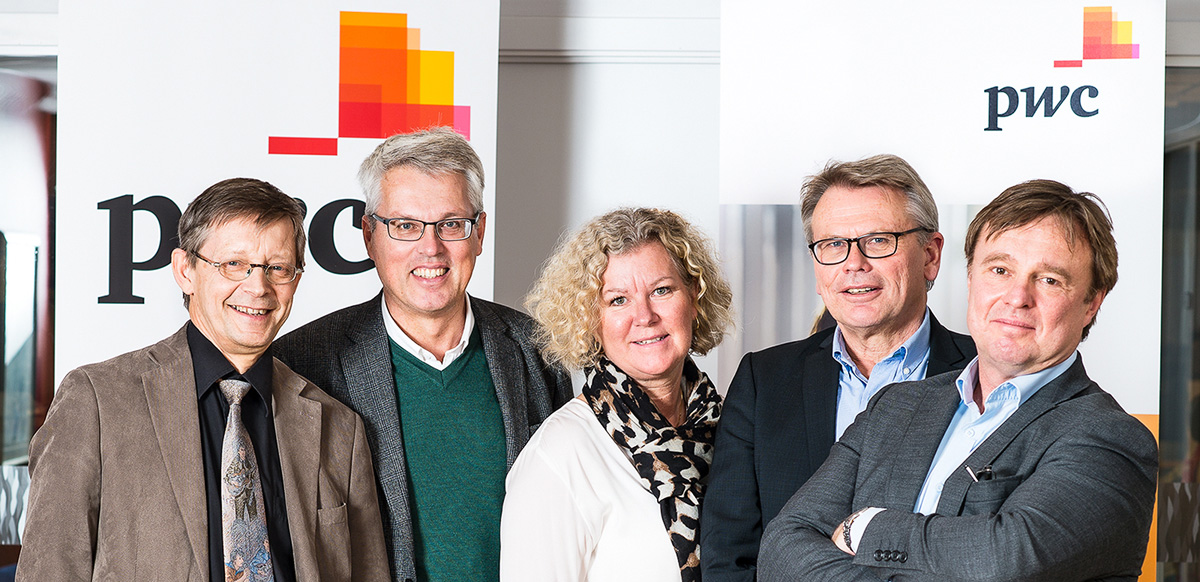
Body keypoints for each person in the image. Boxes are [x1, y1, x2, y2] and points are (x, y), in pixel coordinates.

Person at [759, 180, 1158, 581]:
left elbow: (1006, 560)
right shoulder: (895, 406)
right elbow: (781, 546)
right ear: (970, 277)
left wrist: (865, 528)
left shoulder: (1111, 439)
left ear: (1091, 302)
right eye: (999, 270)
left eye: (1049, 279)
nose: (1017, 297)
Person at [16, 178, 388, 581]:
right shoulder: (97, 402)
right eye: (234, 264)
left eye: (277, 268)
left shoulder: (339, 427)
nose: (258, 287)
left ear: (295, 279)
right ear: (185, 271)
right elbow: (49, 570)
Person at [273, 127, 573, 582]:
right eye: (405, 226)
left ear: (479, 233)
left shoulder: (537, 350)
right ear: (369, 236)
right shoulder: (303, 363)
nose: (430, 248)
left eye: (451, 224)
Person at [701, 154, 976, 580]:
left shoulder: (987, 373)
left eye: (878, 240)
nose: (853, 264)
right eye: (832, 245)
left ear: (930, 255)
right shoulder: (763, 381)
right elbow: (729, 558)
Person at [500, 207, 734, 582]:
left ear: (694, 297)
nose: (645, 316)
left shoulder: (732, 428)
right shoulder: (559, 455)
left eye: (662, 290)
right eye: (618, 300)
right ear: (590, 320)